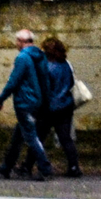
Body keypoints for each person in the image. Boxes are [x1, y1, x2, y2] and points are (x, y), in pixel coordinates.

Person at [0, 28, 54, 181]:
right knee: (18, 136)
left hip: (25, 102)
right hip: (37, 101)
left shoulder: (22, 58)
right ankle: (6, 166)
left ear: (21, 42)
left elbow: (13, 82)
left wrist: (0, 100)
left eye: (17, 41)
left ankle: (45, 168)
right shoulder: (40, 56)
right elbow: (45, 81)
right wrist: (45, 102)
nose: (16, 44)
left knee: (31, 137)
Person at [39, 36, 82, 177]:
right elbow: (71, 84)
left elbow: (44, 88)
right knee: (66, 139)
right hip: (66, 106)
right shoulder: (66, 65)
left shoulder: (47, 67)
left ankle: (30, 166)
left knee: (38, 138)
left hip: (49, 108)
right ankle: (74, 167)